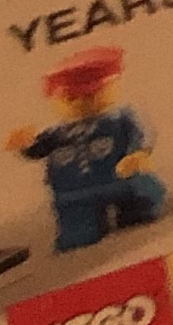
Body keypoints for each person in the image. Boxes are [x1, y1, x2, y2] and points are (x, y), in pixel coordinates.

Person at [9, 52, 164, 252]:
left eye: (90, 94)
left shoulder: (120, 119)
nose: (79, 102)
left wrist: (139, 154)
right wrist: (23, 144)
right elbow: (36, 150)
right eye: (70, 98)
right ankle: (80, 228)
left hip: (120, 180)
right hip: (74, 194)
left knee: (138, 204)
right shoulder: (55, 133)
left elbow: (142, 133)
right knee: (78, 230)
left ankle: (139, 205)